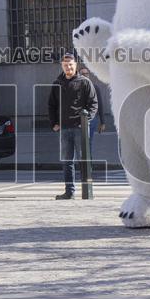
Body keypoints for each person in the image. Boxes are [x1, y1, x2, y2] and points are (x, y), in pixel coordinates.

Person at [48, 52, 98, 200]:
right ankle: (69, 192)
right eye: (65, 65)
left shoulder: (84, 82)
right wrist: (54, 123)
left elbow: (93, 104)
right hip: (64, 128)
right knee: (67, 161)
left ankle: (87, 191)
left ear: (75, 65)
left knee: (84, 160)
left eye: (70, 64)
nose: (68, 67)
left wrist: (86, 120)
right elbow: (51, 105)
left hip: (80, 128)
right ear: (62, 66)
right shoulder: (57, 83)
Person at [79, 67, 110, 154]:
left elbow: (100, 105)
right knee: (79, 143)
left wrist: (102, 122)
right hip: (77, 120)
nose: (85, 75)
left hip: (91, 120)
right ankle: (81, 160)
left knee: (88, 142)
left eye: (87, 74)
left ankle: (89, 162)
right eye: (83, 74)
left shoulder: (95, 88)